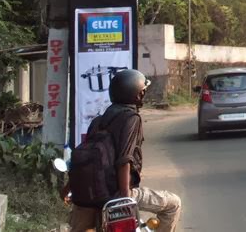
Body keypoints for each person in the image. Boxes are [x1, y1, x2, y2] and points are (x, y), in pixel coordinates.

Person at [66, 69, 182, 232]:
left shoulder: (98, 121)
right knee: (173, 204)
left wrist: (68, 188)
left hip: (89, 194)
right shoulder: (131, 118)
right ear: (139, 95)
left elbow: (85, 160)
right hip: (116, 193)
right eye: (143, 91)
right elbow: (124, 159)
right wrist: (125, 197)